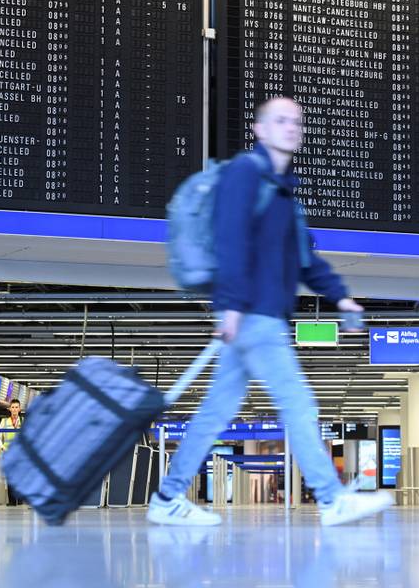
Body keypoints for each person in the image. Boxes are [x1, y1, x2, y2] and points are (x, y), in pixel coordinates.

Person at [148, 97, 393, 526]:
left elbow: (304, 261)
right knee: (298, 404)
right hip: (253, 316)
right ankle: (332, 499)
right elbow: (230, 239)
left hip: (256, 316)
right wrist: (228, 305)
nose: (291, 127)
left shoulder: (284, 192)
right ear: (260, 130)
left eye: (296, 121)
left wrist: (340, 296)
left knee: (214, 411)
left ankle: (167, 497)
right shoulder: (246, 173)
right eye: (280, 121)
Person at [0, 399, 25, 506]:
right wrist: (2, 447)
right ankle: (12, 500)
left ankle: (20, 499)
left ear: (19, 409)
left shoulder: (24, 421)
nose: (14, 409)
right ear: (9, 409)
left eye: (16, 407)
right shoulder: (4, 422)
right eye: (12, 407)